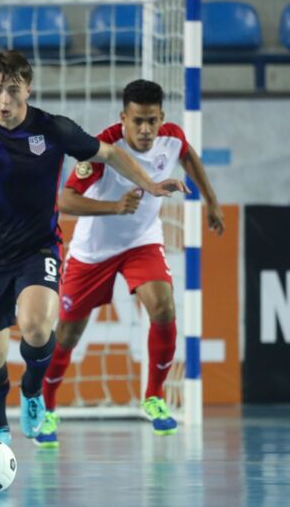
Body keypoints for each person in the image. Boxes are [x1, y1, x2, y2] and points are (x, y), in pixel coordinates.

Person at [0, 52, 189, 446]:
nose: (4, 100)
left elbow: (109, 154)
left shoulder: (54, 129)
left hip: (38, 249)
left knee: (37, 328)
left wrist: (151, 184)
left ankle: (34, 392)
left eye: (13, 90)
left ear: (28, 89)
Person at [38, 79, 224, 446]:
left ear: (161, 118)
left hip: (142, 241)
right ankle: (46, 408)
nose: (145, 129)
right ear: (123, 117)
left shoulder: (171, 137)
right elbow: (67, 201)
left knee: (163, 306)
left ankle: (154, 397)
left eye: (151, 121)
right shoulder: (103, 149)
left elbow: (189, 157)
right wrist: (114, 208)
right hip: (94, 251)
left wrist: (211, 202)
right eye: (137, 120)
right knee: (67, 334)